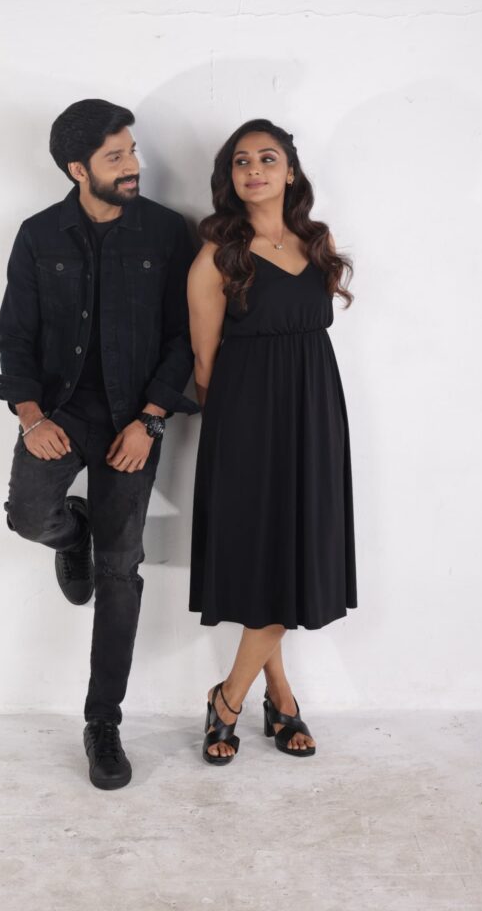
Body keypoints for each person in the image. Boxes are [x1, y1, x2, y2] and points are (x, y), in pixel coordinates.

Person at [0, 99, 198, 789]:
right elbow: (14, 335)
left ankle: (102, 722)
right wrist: (31, 417)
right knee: (28, 516)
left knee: (118, 569)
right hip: (60, 412)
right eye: (116, 157)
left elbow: (184, 338)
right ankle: (69, 530)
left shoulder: (166, 232)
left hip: (131, 421)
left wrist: (151, 421)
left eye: (132, 150)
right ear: (78, 169)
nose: (134, 165)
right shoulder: (37, 235)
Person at [187, 118, 356, 764]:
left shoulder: (318, 241)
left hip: (315, 411)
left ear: (290, 172)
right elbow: (205, 364)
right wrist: (236, 433)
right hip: (247, 419)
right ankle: (251, 700)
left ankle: (243, 696)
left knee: (294, 553)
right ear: (229, 177)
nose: (253, 169)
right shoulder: (217, 256)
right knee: (266, 558)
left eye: (267, 158)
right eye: (240, 161)